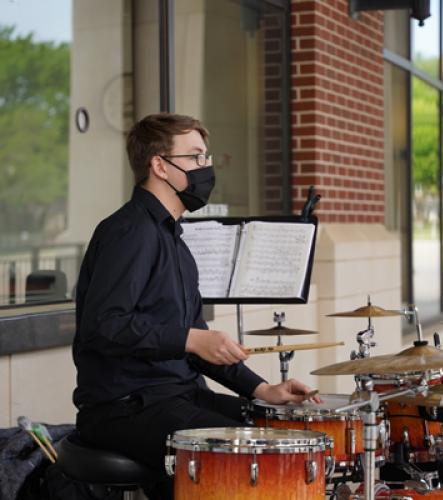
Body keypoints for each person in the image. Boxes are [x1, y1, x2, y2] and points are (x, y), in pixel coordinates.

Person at [72, 112, 319, 499]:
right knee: (247, 454)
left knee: (276, 431)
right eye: (196, 157)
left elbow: (198, 343)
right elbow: (103, 326)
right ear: (159, 165)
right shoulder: (129, 233)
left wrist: (263, 389)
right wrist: (188, 339)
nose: (207, 167)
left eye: (207, 158)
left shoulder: (176, 243)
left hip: (176, 396)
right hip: (124, 408)